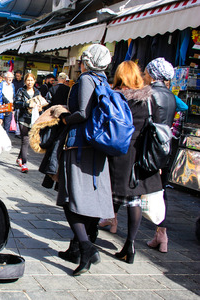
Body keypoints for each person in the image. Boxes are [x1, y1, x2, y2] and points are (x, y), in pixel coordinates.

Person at [57, 44, 114, 276]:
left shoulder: (87, 80)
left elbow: (81, 113)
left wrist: (62, 118)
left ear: (88, 62)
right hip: (98, 146)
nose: (80, 63)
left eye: (82, 59)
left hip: (78, 145)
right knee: (90, 200)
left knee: (70, 199)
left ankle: (87, 247)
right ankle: (75, 249)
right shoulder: (104, 81)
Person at [109, 61, 163, 264]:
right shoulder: (149, 99)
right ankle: (130, 244)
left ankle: (89, 237)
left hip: (120, 153)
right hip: (140, 154)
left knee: (112, 195)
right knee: (134, 200)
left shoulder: (116, 97)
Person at [143, 57, 176, 253]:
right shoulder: (171, 96)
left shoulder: (149, 93)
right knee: (160, 190)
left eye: (147, 71)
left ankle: (115, 222)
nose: (145, 75)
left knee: (137, 186)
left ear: (153, 74)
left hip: (148, 146)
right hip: (165, 147)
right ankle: (161, 234)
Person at [13, 72, 41, 173]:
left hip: (33, 118)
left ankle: (19, 158)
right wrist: (27, 104)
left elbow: (40, 102)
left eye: (31, 80)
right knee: (25, 140)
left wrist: (39, 106)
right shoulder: (21, 90)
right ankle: (24, 163)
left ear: (34, 81)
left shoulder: (37, 92)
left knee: (26, 141)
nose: (30, 82)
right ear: (25, 81)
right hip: (23, 118)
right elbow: (16, 103)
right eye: (28, 80)